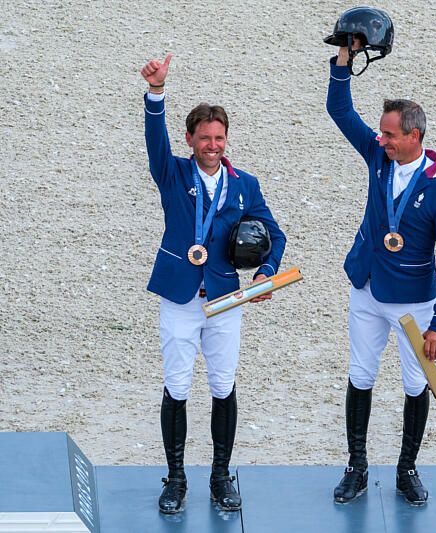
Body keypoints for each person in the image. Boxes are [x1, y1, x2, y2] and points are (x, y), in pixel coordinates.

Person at [140, 55, 286, 513]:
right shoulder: (173, 173)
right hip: (181, 296)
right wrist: (156, 93)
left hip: (225, 298)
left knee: (223, 385)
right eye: (204, 138)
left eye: (219, 138)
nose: (212, 145)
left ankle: (221, 476)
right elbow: (153, 141)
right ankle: (177, 478)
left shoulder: (245, 185)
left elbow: (274, 234)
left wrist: (266, 271)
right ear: (190, 140)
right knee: (178, 386)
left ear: (227, 140)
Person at [326, 40, 436, 505]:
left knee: (414, 383)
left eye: (389, 135)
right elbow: (339, 110)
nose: (380, 139)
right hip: (367, 288)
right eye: (381, 134)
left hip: (414, 301)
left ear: (414, 136)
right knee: (360, 374)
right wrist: (344, 61)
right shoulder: (378, 157)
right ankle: (357, 465)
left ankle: (407, 468)